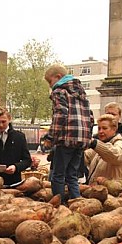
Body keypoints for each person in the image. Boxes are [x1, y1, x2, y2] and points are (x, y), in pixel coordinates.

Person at [43, 64, 92, 202]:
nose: (50, 85)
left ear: (58, 77)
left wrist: (50, 137)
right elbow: (90, 115)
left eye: (49, 81)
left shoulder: (59, 91)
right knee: (72, 175)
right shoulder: (81, 92)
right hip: (81, 140)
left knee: (58, 175)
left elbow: (60, 114)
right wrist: (87, 137)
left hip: (66, 138)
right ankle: (76, 202)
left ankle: (60, 204)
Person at [84, 114, 122, 184]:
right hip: (97, 192)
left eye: (104, 128)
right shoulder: (100, 146)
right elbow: (85, 156)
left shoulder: (120, 145)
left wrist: (94, 143)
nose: (100, 131)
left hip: (112, 193)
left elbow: (114, 155)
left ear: (114, 129)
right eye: (99, 128)